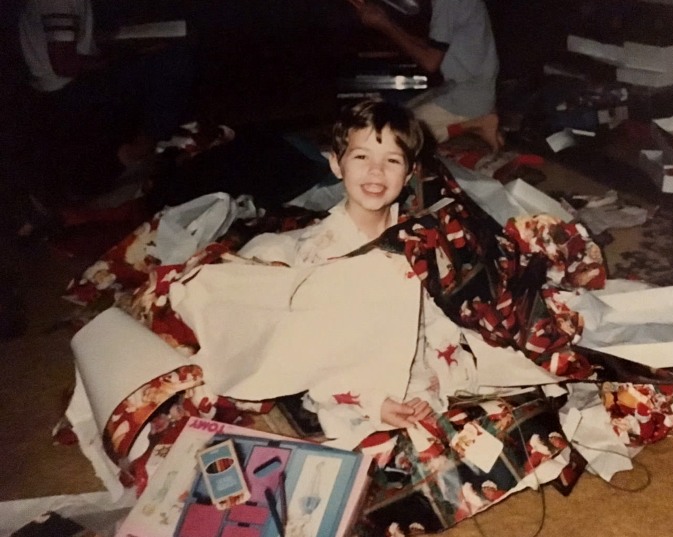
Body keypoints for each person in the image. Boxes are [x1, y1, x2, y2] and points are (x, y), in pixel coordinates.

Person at [237, 99, 478, 433]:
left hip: (414, 366)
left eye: (392, 161)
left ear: (409, 173)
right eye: (361, 157)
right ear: (337, 164)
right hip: (348, 377)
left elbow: (435, 317)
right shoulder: (320, 254)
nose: (376, 172)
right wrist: (372, 401)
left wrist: (437, 380)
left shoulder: (417, 238)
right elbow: (313, 349)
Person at [17, 0, 195, 168]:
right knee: (172, 62)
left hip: (63, 83)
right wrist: (122, 57)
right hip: (63, 90)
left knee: (158, 53)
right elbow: (65, 65)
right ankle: (143, 144)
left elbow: (75, 40)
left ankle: (160, 130)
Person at [348, 0, 503, 152]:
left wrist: (384, 24)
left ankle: (476, 123)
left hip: (469, 95)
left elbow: (430, 62)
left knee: (395, 136)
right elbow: (431, 46)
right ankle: (479, 127)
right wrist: (385, 22)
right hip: (463, 88)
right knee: (399, 115)